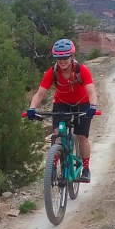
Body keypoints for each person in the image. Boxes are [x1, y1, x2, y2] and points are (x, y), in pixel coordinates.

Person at [27, 38, 97, 183]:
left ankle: (85, 169)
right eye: (59, 58)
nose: (62, 61)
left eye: (65, 57)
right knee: (57, 135)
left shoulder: (81, 70)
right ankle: (52, 169)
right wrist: (32, 108)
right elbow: (40, 93)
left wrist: (93, 106)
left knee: (82, 136)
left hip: (82, 104)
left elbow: (91, 91)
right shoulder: (52, 72)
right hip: (62, 104)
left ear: (72, 56)